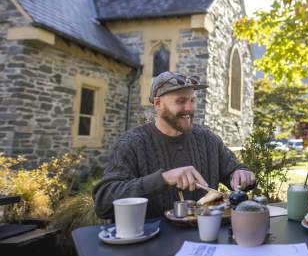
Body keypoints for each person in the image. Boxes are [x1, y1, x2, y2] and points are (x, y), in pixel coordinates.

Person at [93, 71, 255, 219]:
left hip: (206, 239)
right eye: (181, 101)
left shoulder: (208, 139)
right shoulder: (132, 143)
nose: (190, 108)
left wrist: (241, 174)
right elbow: (103, 202)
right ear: (158, 104)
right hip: (153, 244)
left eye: (192, 100)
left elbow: (234, 170)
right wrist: (163, 178)